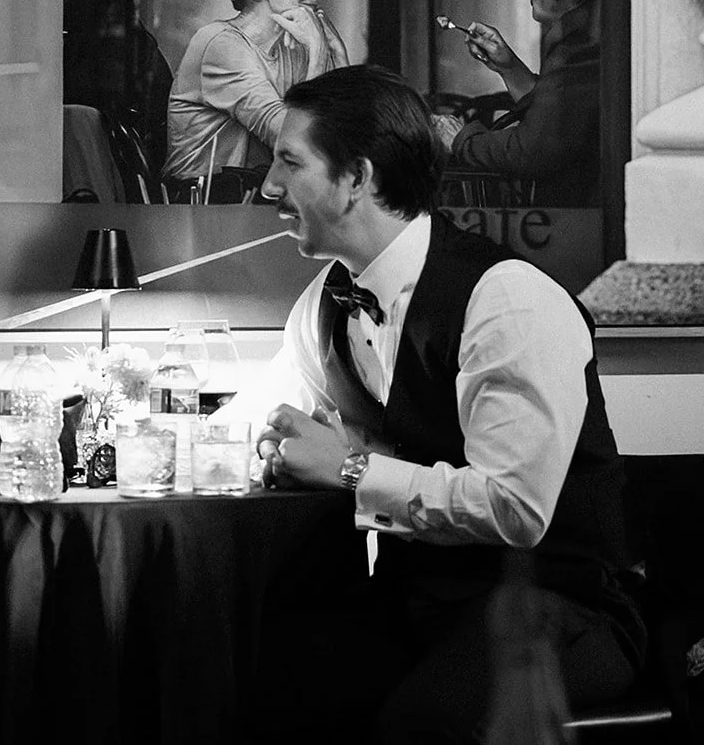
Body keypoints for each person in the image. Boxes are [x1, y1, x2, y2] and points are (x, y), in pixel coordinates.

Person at [245, 64, 643, 744]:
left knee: (419, 725)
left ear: (356, 178)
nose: (268, 186)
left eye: (289, 161)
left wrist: (348, 469)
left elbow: (515, 509)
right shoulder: (323, 304)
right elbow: (272, 420)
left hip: (554, 608)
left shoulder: (508, 298)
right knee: (265, 685)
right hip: (418, 602)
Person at [433, 0, 602, 207]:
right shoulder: (583, 35)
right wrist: (508, 67)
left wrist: (461, 140)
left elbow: (531, 150)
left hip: (575, 215)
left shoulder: (580, 43)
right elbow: (556, 118)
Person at [163, 0, 349, 190]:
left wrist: (339, 56)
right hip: (204, 204)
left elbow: (344, 137)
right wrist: (319, 54)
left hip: (258, 200)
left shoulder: (293, 47)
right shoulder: (220, 45)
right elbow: (294, 144)